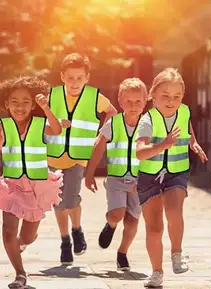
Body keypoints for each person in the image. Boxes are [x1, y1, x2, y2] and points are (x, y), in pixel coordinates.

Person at [136, 68, 208, 287]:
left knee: (175, 209)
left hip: (177, 172)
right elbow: (140, 152)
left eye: (176, 97)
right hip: (149, 176)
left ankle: (177, 253)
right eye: (165, 96)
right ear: (153, 95)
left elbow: (186, 126)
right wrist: (163, 145)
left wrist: (193, 142)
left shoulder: (184, 111)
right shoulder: (147, 119)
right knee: (154, 227)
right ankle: (156, 272)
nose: (171, 101)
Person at [45, 53, 117, 265]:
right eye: (70, 77)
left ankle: (76, 230)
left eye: (79, 78)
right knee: (57, 202)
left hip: (78, 157)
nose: (74, 82)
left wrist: (101, 135)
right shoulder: (52, 95)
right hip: (53, 155)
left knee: (71, 198)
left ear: (86, 77)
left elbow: (112, 112)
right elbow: (40, 119)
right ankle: (65, 241)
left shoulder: (95, 97)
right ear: (62, 77)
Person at [0, 76, 63, 289]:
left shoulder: (39, 123)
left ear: (33, 104)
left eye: (25, 101)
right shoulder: (3, 127)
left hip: (37, 185)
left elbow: (56, 129)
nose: (20, 106)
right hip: (12, 184)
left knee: (27, 235)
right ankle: (20, 274)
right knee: (8, 231)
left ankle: (23, 244)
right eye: (14, 101)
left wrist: (46, 108)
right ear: (6, 104)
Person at [85, 78, 147, 271]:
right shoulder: (114, 123)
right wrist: (89, 173)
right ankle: (110, 225)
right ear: (121, 102)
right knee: (117, 214)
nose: (133, 106)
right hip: (116, 179)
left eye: (138, 102)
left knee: (132, 221)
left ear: (145, 102)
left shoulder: (149, 125)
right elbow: (98, 147)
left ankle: (122, 253)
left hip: (140, 181)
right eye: (128, 102)